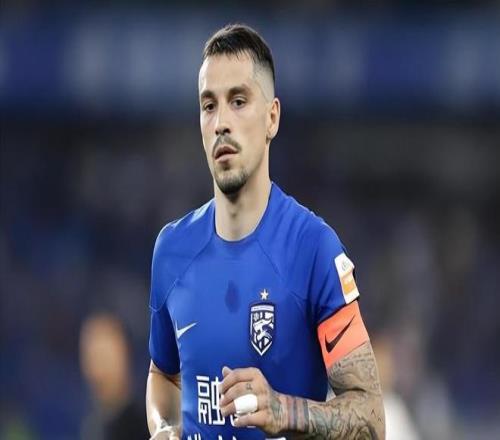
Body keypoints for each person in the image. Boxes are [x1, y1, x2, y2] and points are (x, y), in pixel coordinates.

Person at [146, 24, 385, 440]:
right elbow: (162, 375)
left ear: (272, 117)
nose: (221, 122)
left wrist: (283, 410)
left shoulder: (313, 249)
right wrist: (163, 426)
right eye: (209, 106)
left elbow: (372, 419)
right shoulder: (172, 250)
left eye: (238, 101)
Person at [80, 313, 149, 440]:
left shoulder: (145, 425)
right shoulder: (92, 426)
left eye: (105, 357)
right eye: (93, 357)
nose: (99, 370)